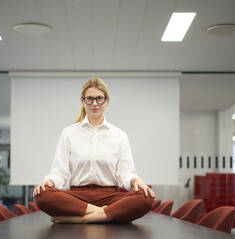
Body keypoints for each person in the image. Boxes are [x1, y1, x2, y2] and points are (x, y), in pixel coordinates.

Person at [33, 78, 154, 223]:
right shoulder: (68, 133)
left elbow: (125, 173)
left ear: (107, 101)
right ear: (83, 101)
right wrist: (49, 182)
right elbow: (60, 172)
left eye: (99, 99)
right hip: (77, 197)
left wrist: (136, 180)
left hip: (110, 196)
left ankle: (79, 220)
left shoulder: (119, 135)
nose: (94, 103)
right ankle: (105, 214)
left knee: (146, 197)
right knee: (42, 194)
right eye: (89, 99)